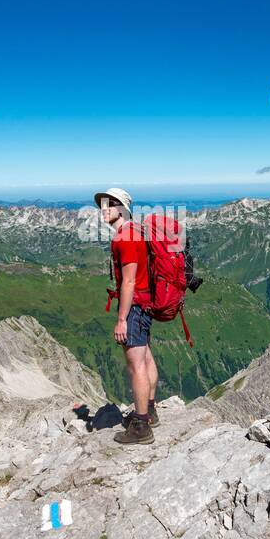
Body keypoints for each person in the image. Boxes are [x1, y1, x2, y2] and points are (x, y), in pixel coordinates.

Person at [95, 187, 159, 445]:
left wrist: (121, 319)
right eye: (102, 204)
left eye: (109, 204)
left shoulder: (126, 238)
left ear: (121, 208)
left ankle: (141, 426)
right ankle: (150, 411)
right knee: (145, 359)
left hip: (134, 308)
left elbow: (129, 282)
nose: (103, 209)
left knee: (136, 366)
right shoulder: (136, 233)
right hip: (144, 305)